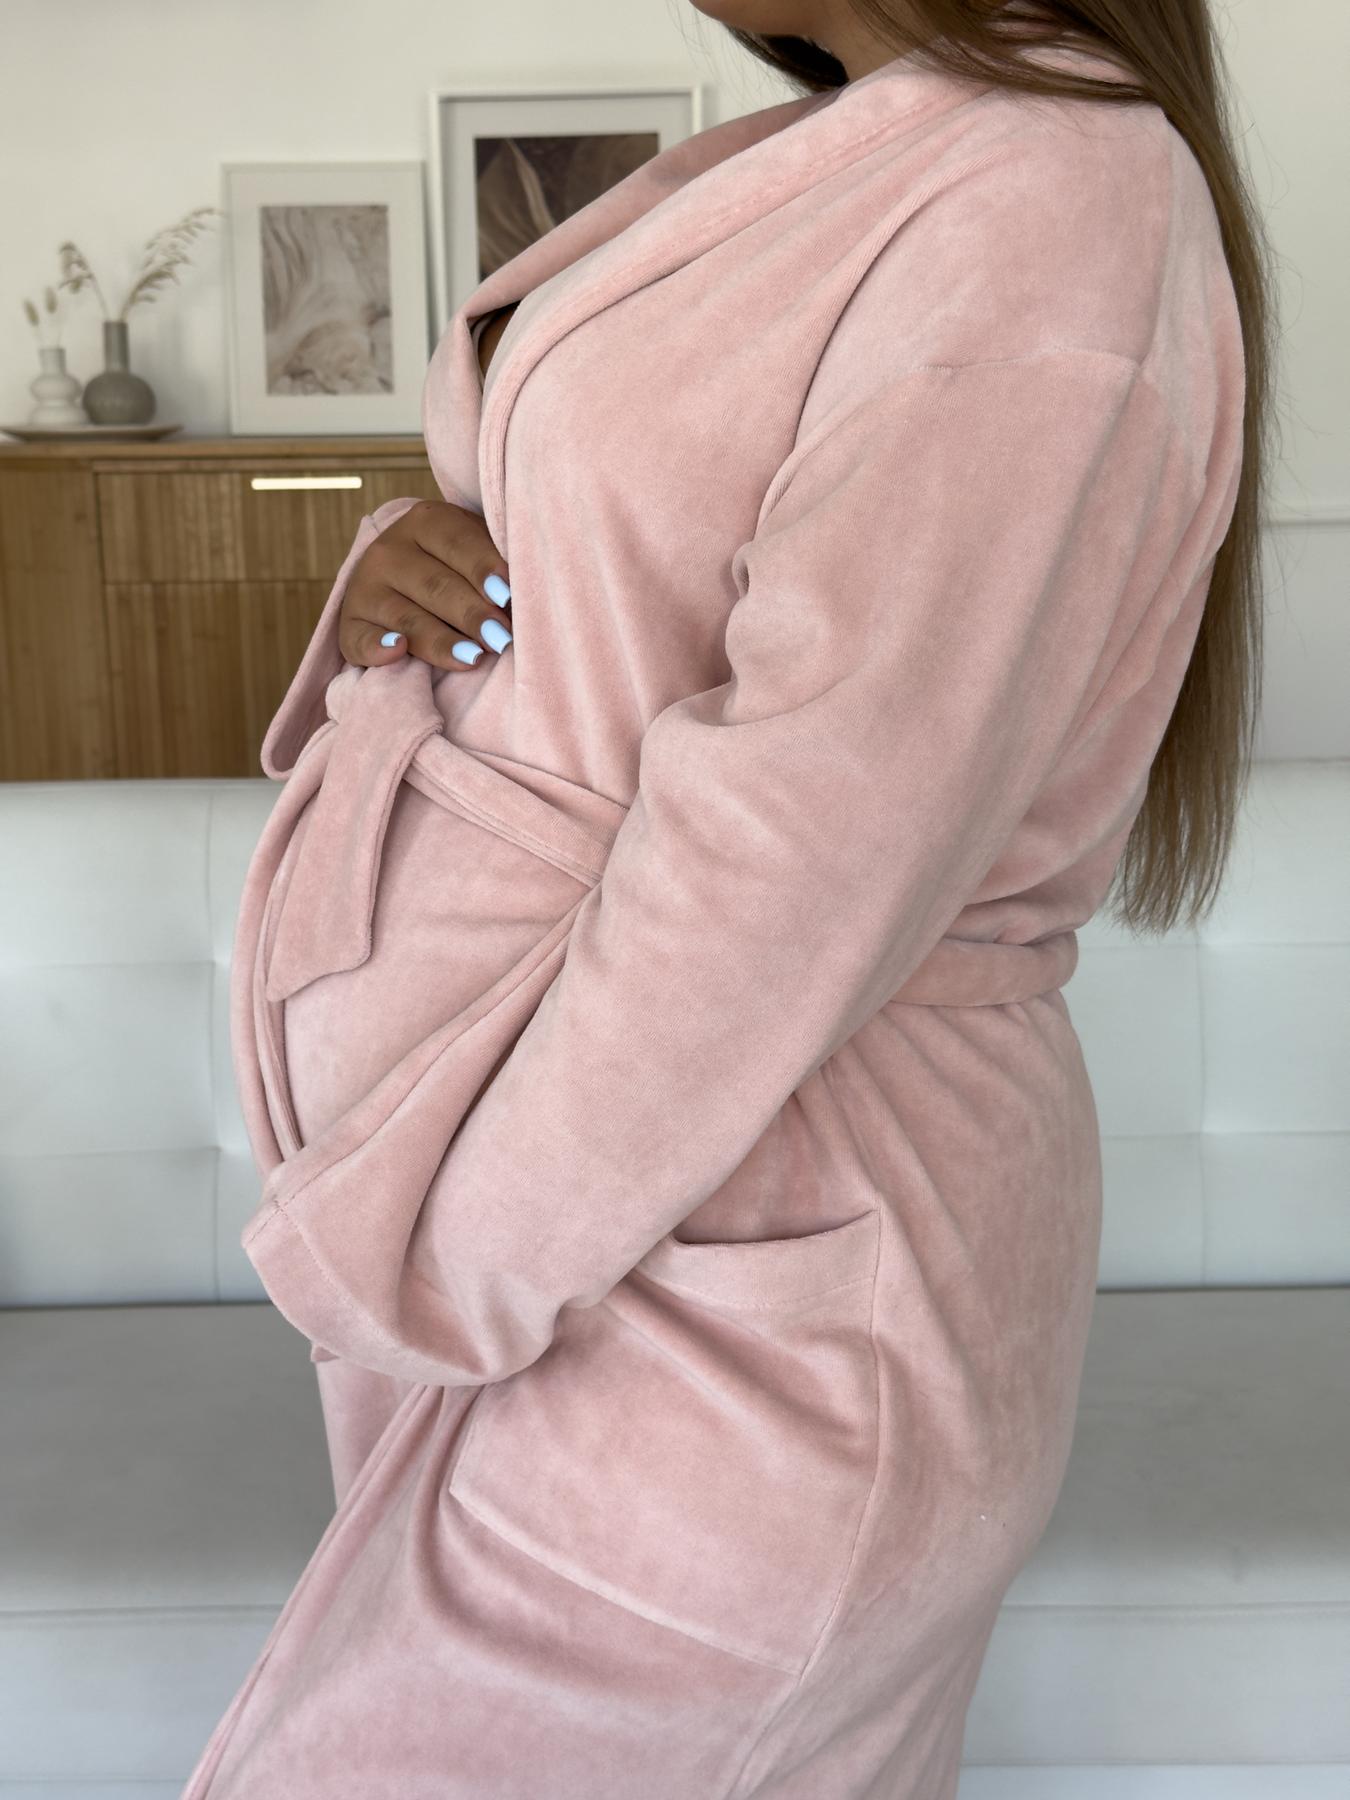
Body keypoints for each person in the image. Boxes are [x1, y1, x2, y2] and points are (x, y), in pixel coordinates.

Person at [181, 2, 1271, 1794]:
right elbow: (644, 597)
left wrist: (443, 1263)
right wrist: (411, 571)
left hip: (701, 1252)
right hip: (594, 1239)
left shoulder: (1050, 193)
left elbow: (807, 837)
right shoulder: (897, 155)